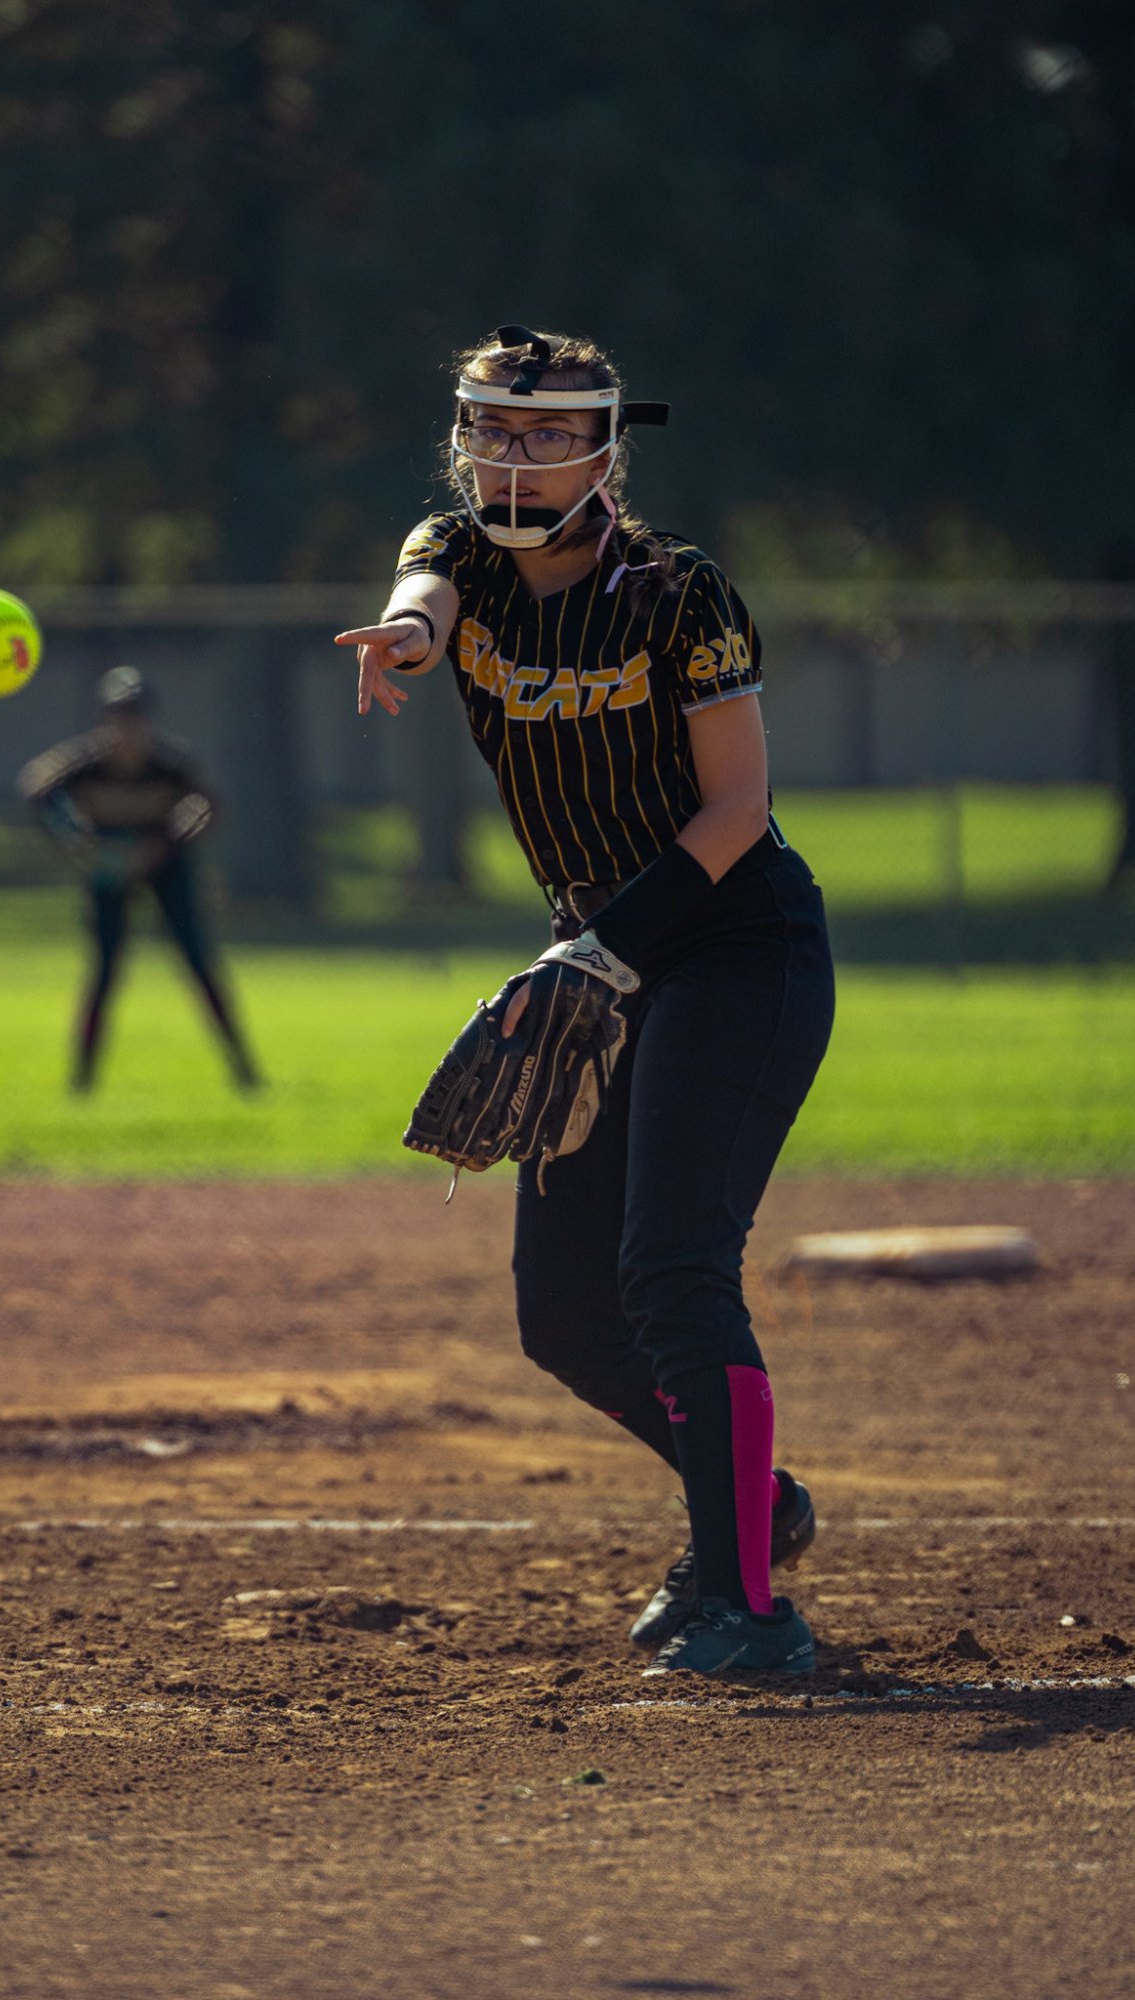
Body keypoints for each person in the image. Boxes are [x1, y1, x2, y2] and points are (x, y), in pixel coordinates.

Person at [335, 325, 836, 1679]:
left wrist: (603, 951)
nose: (518, 456)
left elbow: (738, 812)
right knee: (564, 1318)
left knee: (674, 1267)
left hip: (734, 950)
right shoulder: (454, 560)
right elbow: (424, 598)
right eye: (495, 429)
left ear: (608, 448)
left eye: (551, 433)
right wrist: (402, 636)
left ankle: (751, 1606)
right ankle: (756, 1514)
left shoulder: (679, 594)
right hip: (594, 963)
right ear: (462, 442)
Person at [18, 665, 260, 1095]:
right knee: (105, 972)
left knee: (199, 966)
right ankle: (83, 1078)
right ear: (104, 720)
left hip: (165, 866)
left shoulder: (168, 764)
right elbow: (36, 787)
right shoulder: (85, 763)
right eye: (117, 716)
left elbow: (208, 806)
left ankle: (244, 1070)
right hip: (108, 868)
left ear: (149, 719)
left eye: (134, 716)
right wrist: (75, 837)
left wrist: (164, 845)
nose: (126, 726)